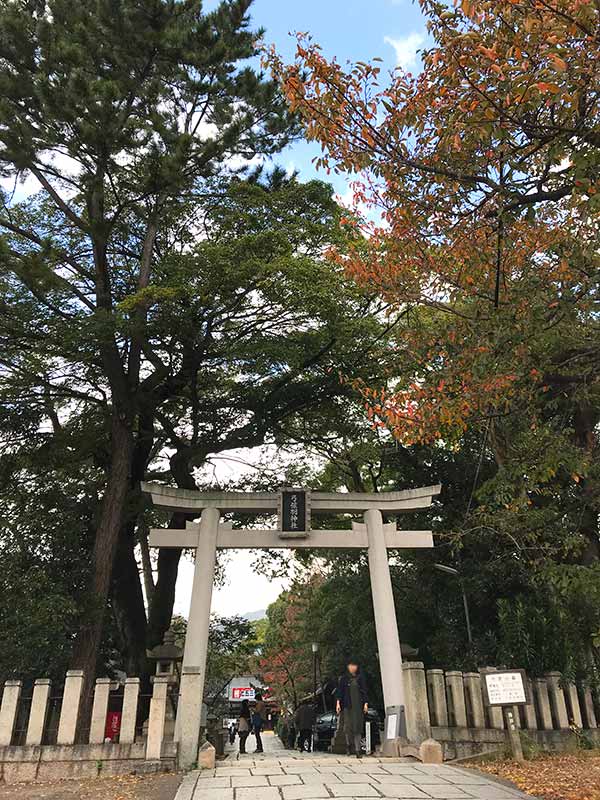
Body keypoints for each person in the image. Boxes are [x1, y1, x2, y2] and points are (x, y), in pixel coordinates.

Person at [336, 658, 368, 758]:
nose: (352, 667)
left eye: (354, 665)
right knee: (348, 727)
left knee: (357, 727)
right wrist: (338, 703)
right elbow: (340, 692)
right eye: (350, 665)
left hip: (358, 707)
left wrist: (365, 703)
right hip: (347, 706)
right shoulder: (344, 679)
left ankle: (358, 750)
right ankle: (349, 746)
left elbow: (364, 691)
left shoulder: (360, 678)